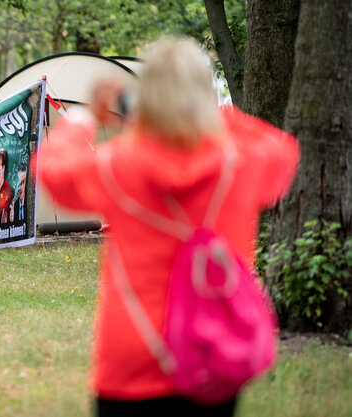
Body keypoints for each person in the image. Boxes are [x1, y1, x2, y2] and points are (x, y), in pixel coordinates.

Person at [37, 37, 299, 416]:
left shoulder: (118, 166)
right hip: (213, 356)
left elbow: (54, 174)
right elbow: (283, 151)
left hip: (132, 358)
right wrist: (213, 114)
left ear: (147, 96)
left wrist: (86, 117)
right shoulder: (240, 163)